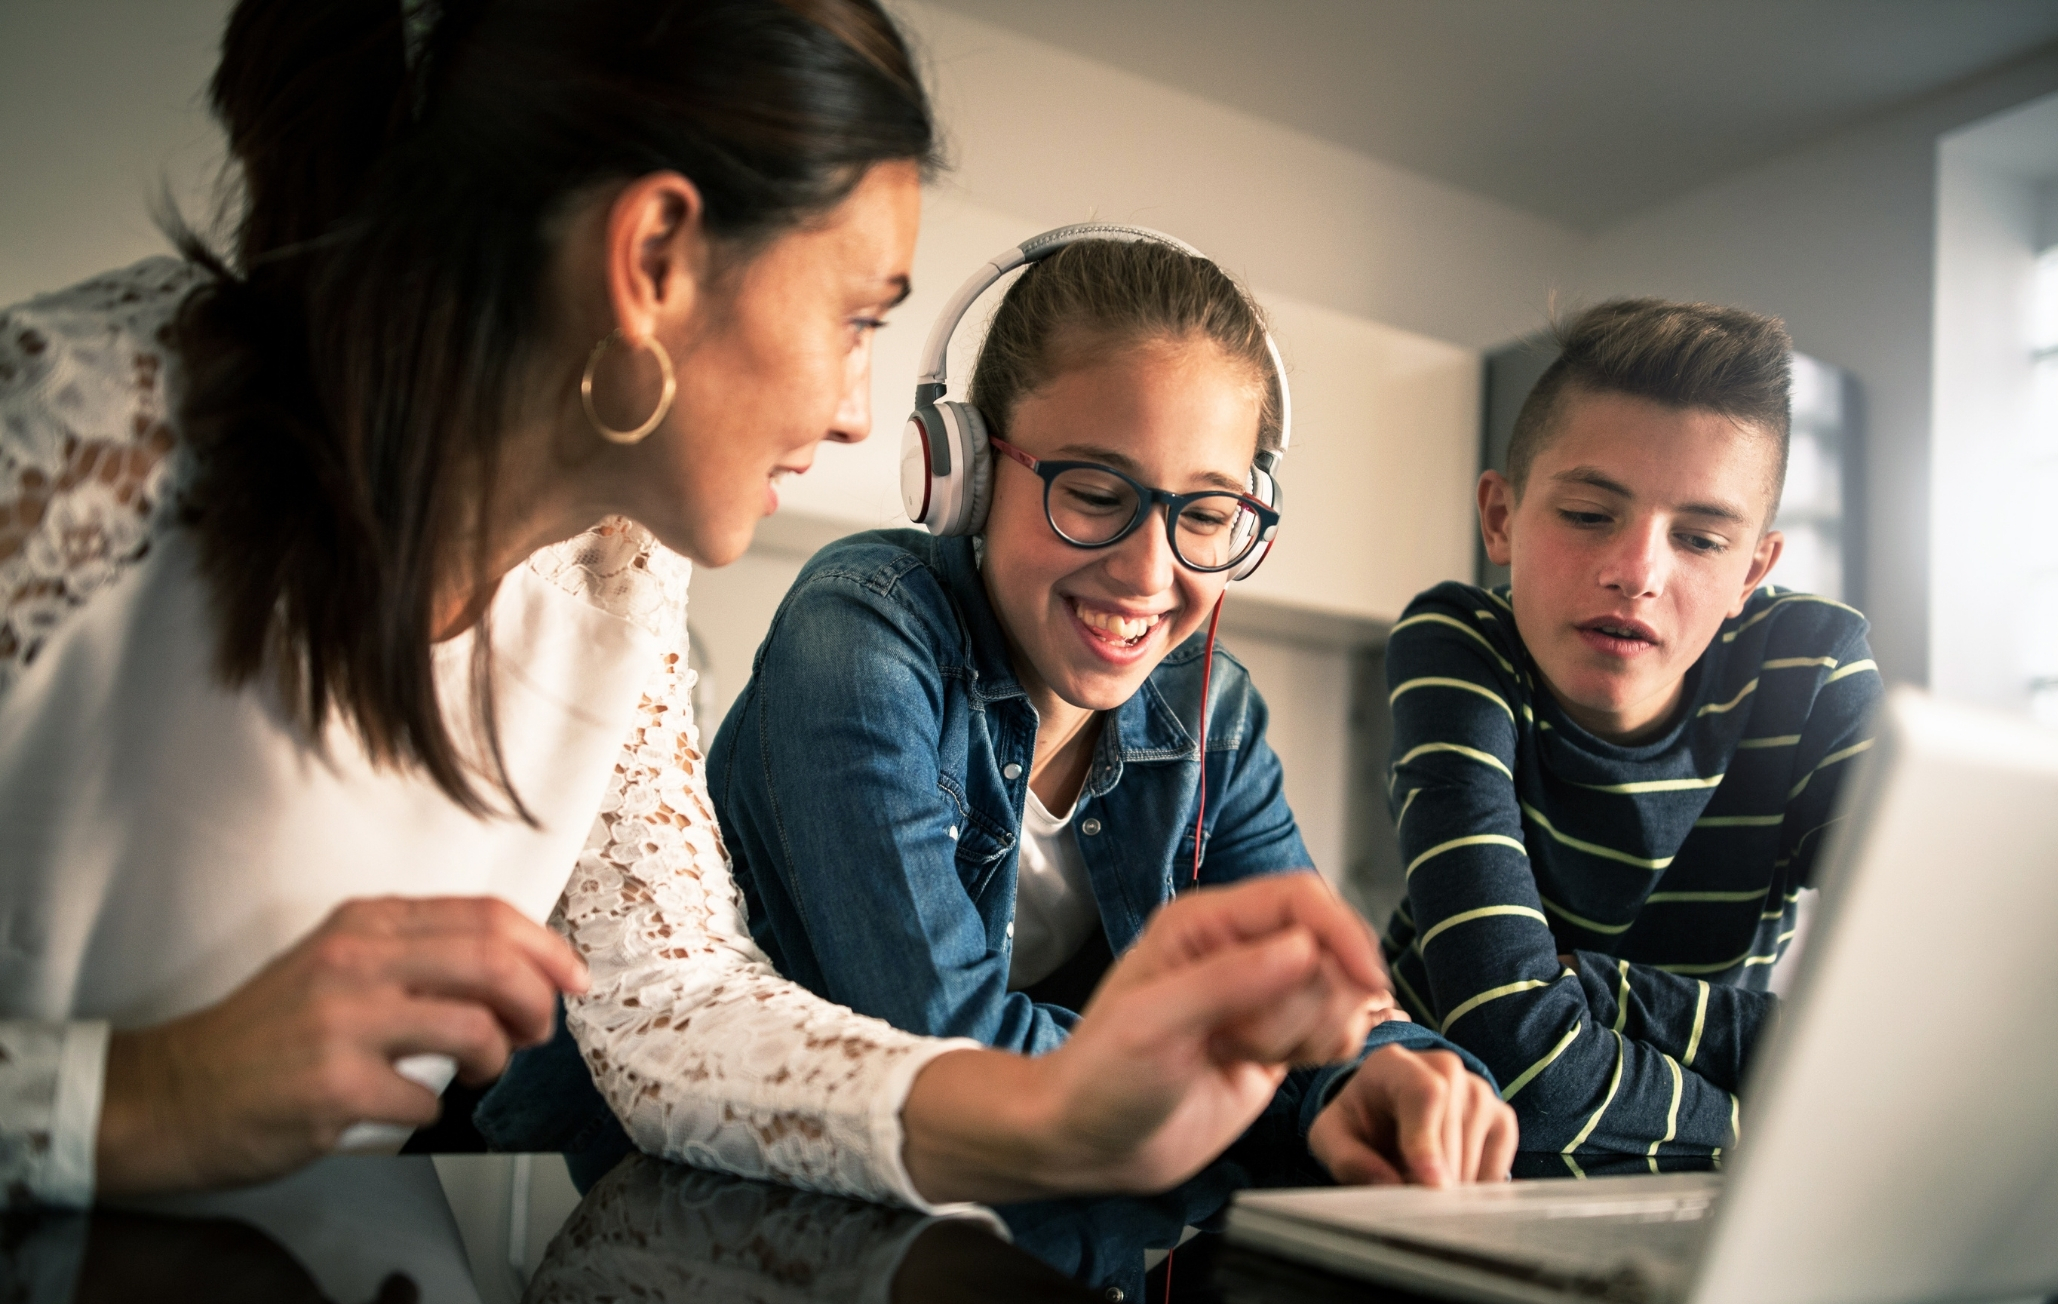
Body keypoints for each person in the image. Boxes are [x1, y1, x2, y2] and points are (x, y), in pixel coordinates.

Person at [0, 0, 1445, 1213]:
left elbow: (676, 1009)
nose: (853, 410)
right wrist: (136, 1095)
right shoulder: (64, 436)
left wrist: (1065, 1116)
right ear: (652, 263)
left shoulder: (616, 574)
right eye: (856, 316)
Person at [706, 235, 1518, 1190]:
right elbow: (942, 1045)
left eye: (1209, 516)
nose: (1147, 572)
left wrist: (1380, 1074)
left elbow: (1320, 1005)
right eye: (1093, 494)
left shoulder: (1212, 710)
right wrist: (1256, 1071)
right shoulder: (862, 632)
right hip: (747, 1215)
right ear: (963, 472)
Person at [1380, 299, 1884, 1159]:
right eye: (1587, 514)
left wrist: (1601, 994)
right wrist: (1772, 1127)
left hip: (1684, 1208)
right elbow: (1522, 1070)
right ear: (1501, 519)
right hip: (1437, 1181)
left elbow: (1908, 1047)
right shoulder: (1458, 646)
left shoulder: (1813, 666)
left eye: (1700, 538)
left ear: (1752, 573)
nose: (1637, 573)